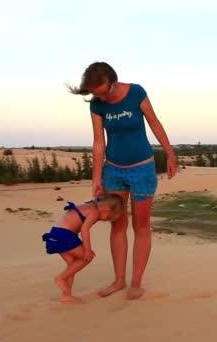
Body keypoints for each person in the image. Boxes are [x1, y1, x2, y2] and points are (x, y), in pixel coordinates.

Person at [68, 62, 177, 300]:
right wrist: (96, 177)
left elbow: (155, 123)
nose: (101, 98)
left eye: (103, 92)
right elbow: (99, 142)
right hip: (114, 171)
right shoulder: (97, 105)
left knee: (141, 226)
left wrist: (169, 153)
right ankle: (118, 280)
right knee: (117, 225)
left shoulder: (136, 92)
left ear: (112, 81)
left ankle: (135, 282)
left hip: (142, 170)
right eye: (96, 94)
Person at [42, 194, 124, 303]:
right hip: (65, 235)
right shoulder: (94, 212)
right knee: (86, 258)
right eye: (108, 217)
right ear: (107, 209)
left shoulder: (88, 205)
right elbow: (85, 230)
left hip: (55, 235)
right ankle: (60, 278)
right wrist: (87, 250)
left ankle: (66, 295)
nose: (105, 220)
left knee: (72, 266)